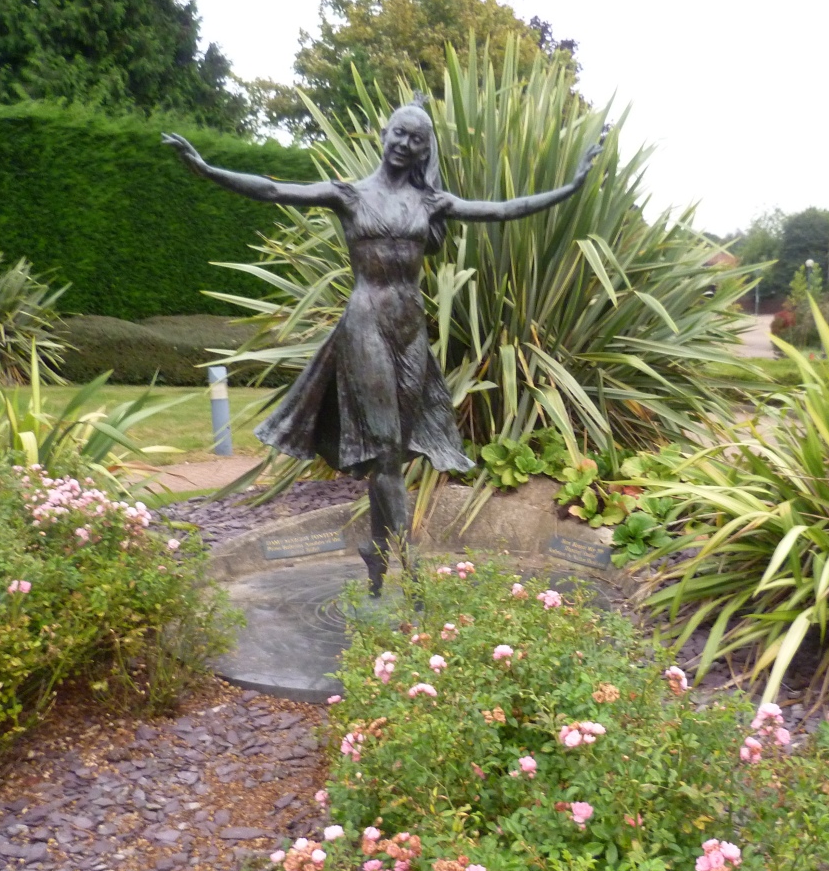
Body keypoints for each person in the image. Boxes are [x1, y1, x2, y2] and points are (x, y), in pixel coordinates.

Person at [162, 100, 601, 595]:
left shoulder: (431, 204)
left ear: (423, 149)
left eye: (416, 139)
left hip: (410, 329)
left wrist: (572, 186)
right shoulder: (348, 195)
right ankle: (411, 566)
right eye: (398, 133)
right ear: (384, 133)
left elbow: (504, 210)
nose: (404, 145)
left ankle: (375, 553)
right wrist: (205, 169)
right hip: (365, 324)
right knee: (388, 449)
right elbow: (272, 189)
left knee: (395, 456)